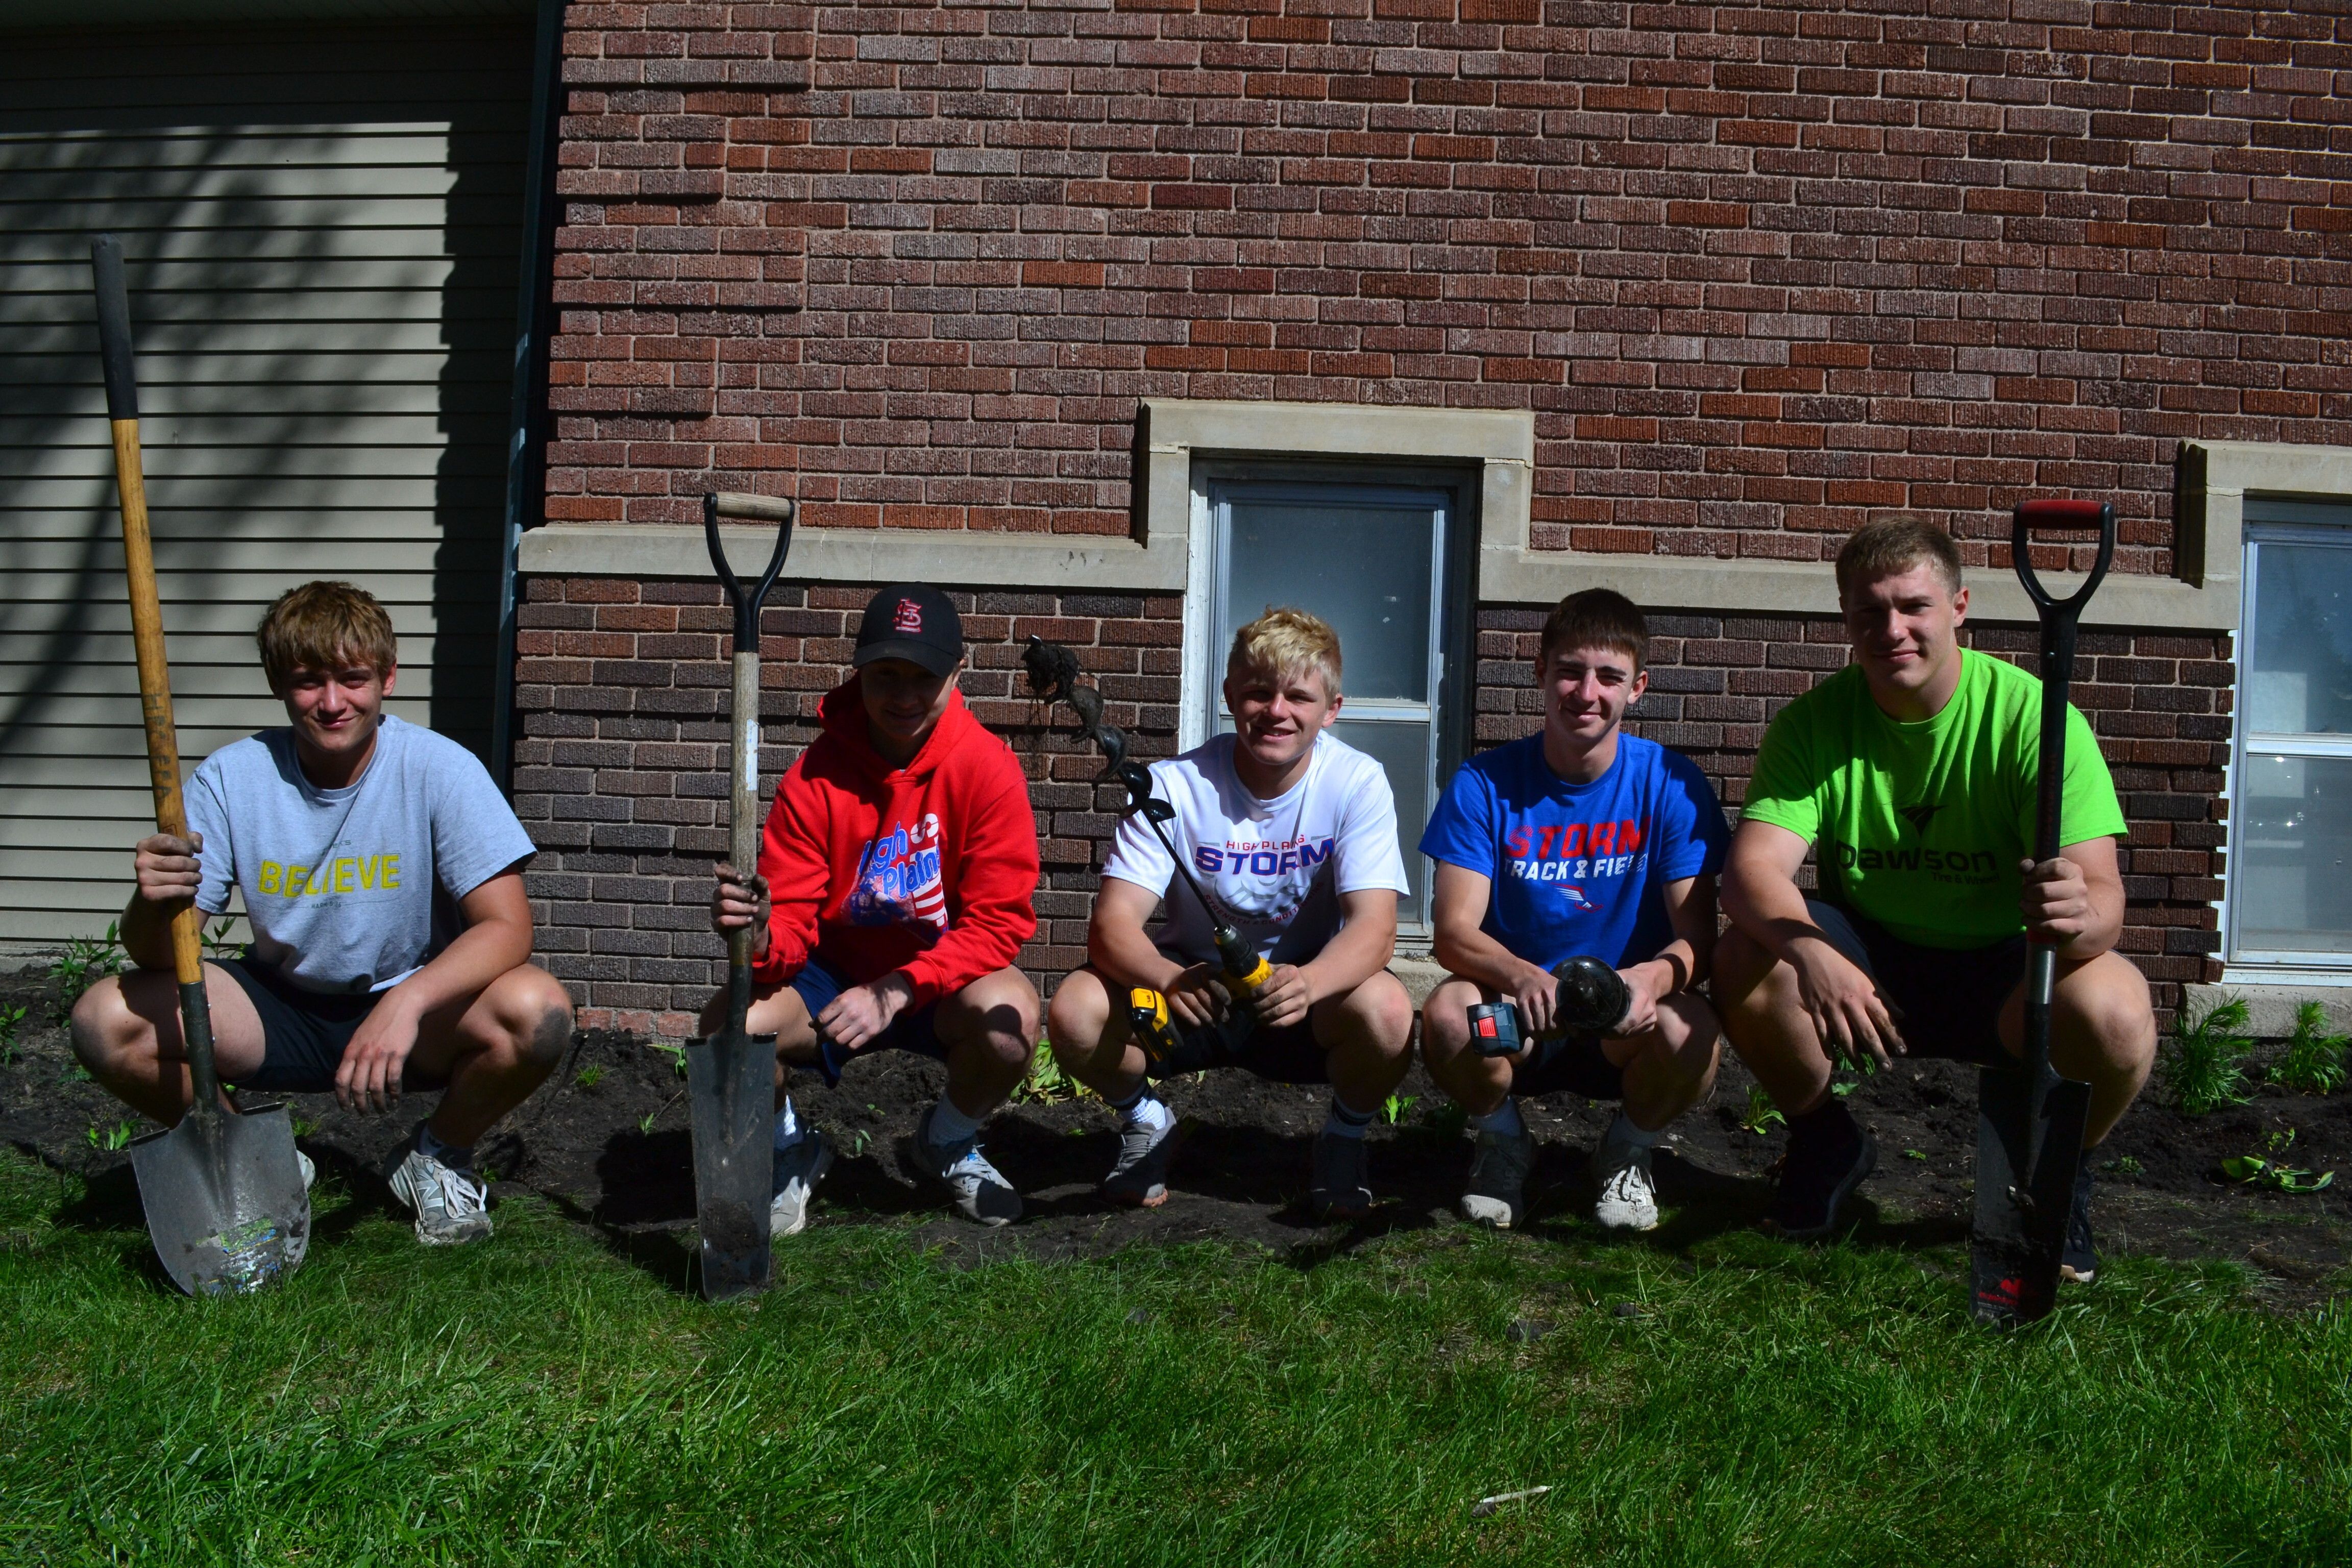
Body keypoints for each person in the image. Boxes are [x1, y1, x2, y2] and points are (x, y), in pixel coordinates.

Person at [1712, 516, 2156, 1279]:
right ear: (1846, 620)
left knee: (2117, 1012)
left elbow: (2104, 897)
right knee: (1745, 955)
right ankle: (1827, 1143)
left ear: (1959, 607)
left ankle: (2058, 1176)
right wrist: (1810, 948)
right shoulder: (1815, 724)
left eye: (1914, 606)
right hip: (1876, 966)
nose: (1893, 629)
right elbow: (1750, 872)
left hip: (2010, 966)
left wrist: (2079, 918)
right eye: (1869, 612)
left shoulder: (2035, 722)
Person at [70, 581, 573, 1245]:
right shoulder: (233, 779)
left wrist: (407, 1003)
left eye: (352, 678)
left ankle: (437, 1157)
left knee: (539, 1012)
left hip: (412, 1006)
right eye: (309, 682)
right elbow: (161, 955)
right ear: (281, 684)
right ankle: (251, 1162)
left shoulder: (440, 770)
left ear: (387, 679)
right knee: (106, 1021)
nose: (333, 703)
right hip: (278, 1004)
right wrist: (152, 900)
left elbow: (508, 928)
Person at [1044, 608, 1416, 1219]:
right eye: (1258, 693)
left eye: (1299, 696)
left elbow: (1375, 930)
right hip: (1193, 989)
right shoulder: (1169, 786)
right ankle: (1147, 1120)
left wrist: (1312, 982)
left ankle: (1344, 1139)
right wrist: (1166, 978)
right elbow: (1113, 925)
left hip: (1302, 995)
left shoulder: (1358, 783)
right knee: (1075, 1010)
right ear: (1228, 696)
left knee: (1388, 1011)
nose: (1277, 711)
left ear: (1333, 708)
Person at [708, 584, 1041, 1231]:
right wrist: (760, 930)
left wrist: (899, 988)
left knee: (1011, 1021)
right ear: (858, 672)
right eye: (885, 674)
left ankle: (945, 1141)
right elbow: (795, 925)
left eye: (924, 676)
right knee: (730, 1033)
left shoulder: (988, 770)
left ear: (958, 672)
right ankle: (789, 1149)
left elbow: (998, 922)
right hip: (831, 976)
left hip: (942, 978)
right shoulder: (815, 775)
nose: (904, 695)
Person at [1418, 589, 1729, 1232]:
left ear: (1636, 687)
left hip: (1625, 1022)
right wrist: (1525, 978)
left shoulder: (1671, 783)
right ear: (1541, 672)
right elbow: (1452, 933)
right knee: (1450, 1015)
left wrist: (1651, 980)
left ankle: (1626, 1150)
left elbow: (1696, 935)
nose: (1586, 693)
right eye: (1570, 671)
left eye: (1609, 676)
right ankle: (1503, 1142)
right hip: (1521, 1018)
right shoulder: (1484, 783)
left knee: (1691, 1030)